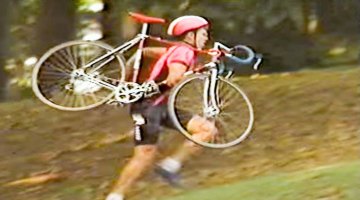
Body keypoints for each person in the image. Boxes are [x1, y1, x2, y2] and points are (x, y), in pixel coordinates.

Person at [105, 15, 218, 200]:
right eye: (203, 33)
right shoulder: (184, 52)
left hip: (163, 105)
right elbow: (174, 77)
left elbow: (145, 52)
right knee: (145, 155)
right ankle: (115, 197)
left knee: (206, 130)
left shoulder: (179, 51)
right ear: (190, 36)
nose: (206, 38)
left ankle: (169, 167)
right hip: (147, 106)